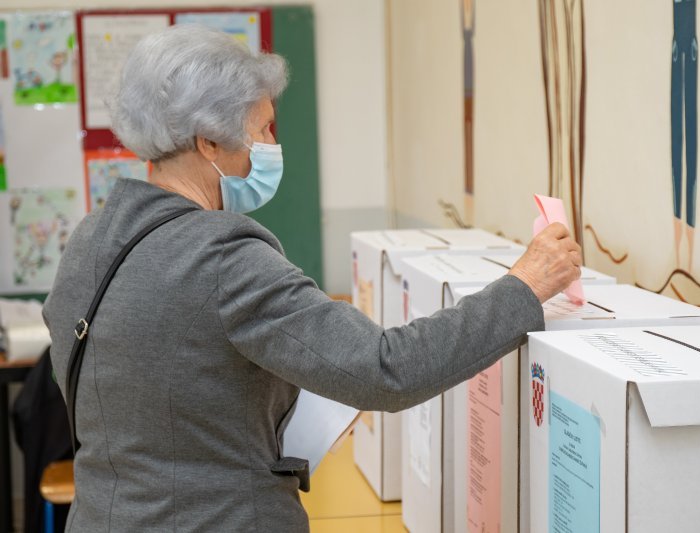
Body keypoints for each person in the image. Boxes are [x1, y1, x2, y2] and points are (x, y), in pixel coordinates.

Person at [43, 25, 581, 532]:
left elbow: (148, 391)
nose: (272, 144)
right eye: (262, 129)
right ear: (209, 141)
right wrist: (524, 287)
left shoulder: (91, 239)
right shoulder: (223, 256)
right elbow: (385, 369)